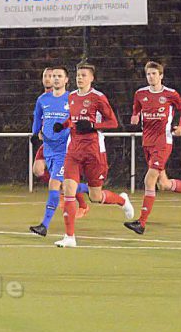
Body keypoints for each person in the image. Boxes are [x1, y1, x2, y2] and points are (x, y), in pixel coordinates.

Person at [53, 62, 134, 248]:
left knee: (95, 196)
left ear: (91, 78)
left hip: (93, 151)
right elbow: (73, 119)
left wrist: (93, 126)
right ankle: (69, 237)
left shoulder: (98, 97)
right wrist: (63, 125)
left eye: (83, 75)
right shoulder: (72, 96)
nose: (79, 78)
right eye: (78, 75)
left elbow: (113, 122)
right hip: (74, 150)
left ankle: (122, 201)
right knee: (68, 189)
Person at [123, 61, 181, 234]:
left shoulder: (170, 94)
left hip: (163, 142)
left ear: (161, 75)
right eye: (148, 74)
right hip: (147, 142)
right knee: (164, 184)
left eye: (154, 73)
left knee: (149, 180)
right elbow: (136, 110)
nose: (151, 77)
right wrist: (135, 116)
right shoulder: (140, 94)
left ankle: (141, 223)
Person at [28, 66, 91, 236]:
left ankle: (44, 225)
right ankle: (88, 189)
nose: (55, 79)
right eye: (54, 76)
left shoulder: (72, 99)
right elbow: (37, 119)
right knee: (62, 184)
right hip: (48, 148)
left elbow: (78, 120)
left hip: (65, 150)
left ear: (66, 80)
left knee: (54, 184)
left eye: (59, 76)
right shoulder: (43, 99)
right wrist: (35, 134)